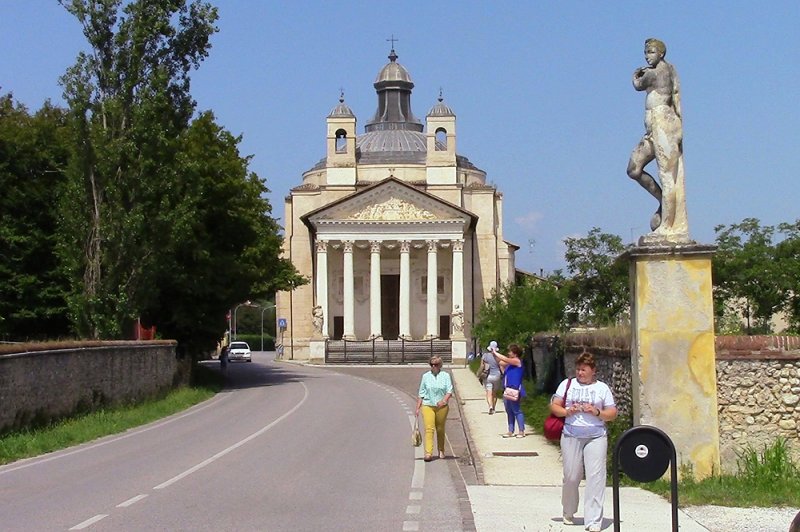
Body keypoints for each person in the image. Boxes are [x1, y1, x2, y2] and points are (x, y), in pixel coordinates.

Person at [626, 38, 690, 241]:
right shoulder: (663, 69)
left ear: (661, 53)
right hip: (652, 128)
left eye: (651, 52)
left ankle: (668, 225)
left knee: (667, 175)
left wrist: (635, 75)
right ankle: (663, 202)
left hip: (663, 123)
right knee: (633, 170)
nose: (647, 56)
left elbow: (638, 84)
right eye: (646, 52)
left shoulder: (658, 71)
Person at [549, 352, 618, 532]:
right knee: (571, 476)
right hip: (571, 434)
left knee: (596, 478)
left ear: (593, 371)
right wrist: (567, 412)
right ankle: (569, 510)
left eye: (584, 370)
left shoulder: (602, 388)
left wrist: (596, 412)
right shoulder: (567, 384)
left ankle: (594, 520)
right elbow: (554, 406)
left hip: (596, 436)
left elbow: (612, 413)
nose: (580, 373)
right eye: (578, 369)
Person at [415, 355, 453, 462]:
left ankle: (441, 449)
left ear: (440, 365)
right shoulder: (426, 376)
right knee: (429, 428)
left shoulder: (445, 376)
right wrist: (418, 407)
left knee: (440, 429)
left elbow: (449, 391)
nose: (433, 366)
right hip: (428, 404)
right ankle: (428, 453)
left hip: (442, 406)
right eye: (431, 364)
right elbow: (421, 392)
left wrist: (443, 401)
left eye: (436, 364)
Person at [492, 344, 526, 438]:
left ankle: (521, 431)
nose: (508, 353)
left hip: (515, 389)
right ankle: (510, 430)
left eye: (510, 351)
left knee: (517, 410)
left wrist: (496, 352)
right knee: (509, 411)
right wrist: (495, 355)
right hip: (507, 389)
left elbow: (505, 360)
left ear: (515, 353)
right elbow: (501, 362)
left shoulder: (517, 361)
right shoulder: (510, 365)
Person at [482, 340, 503, 414]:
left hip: (488, 376)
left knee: (489, 393)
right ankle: (494, 408)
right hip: (497, 375)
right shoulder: (498, 356)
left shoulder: (485, 356)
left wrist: (479, 374)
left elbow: (482, 366)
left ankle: (490, 406)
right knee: (494, 393)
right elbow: (501, 367)